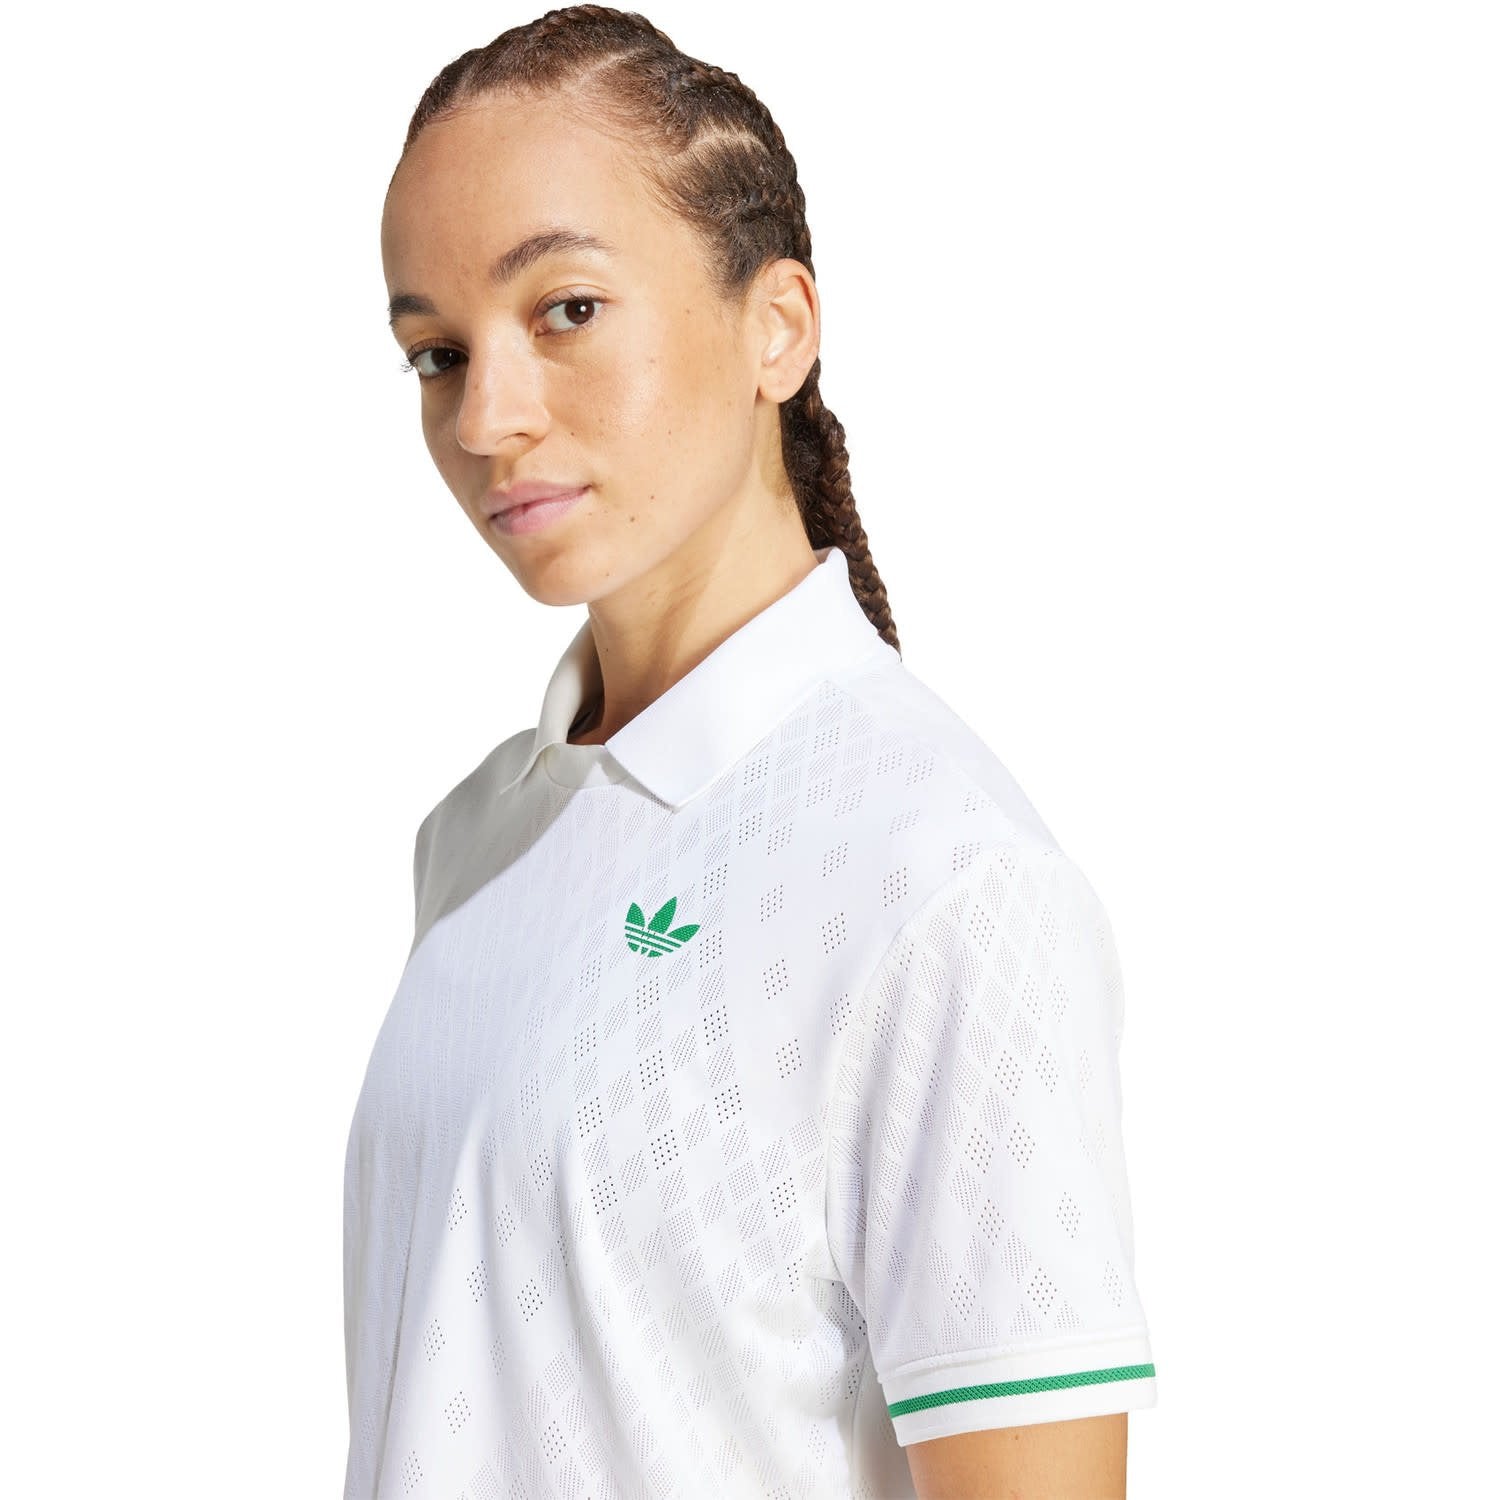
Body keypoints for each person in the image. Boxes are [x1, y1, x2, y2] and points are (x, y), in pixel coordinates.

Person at [343, 8, 1157, 1497]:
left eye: (566, 309)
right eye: (436, 353)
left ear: (777, 325)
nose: (486, 418)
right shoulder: (479, 835)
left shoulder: (944, 881)